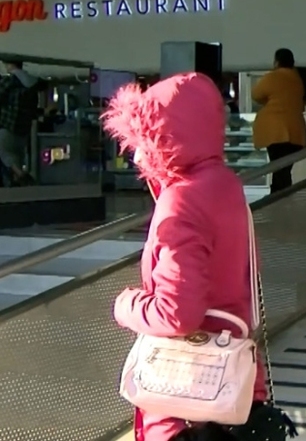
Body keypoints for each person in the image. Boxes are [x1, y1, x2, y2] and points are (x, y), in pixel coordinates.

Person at [102, 73, 273, 441]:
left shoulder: (180, 202)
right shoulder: (226, 185)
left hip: (186, 408)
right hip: (235, 391)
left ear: (163, 137)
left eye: (144, 138)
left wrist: (126, 305)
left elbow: (177, 313)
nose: (136, 153)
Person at [251, 48, 306, 194]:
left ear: (276, 61)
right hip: (296, 132)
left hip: (276, 131)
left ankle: (278, 198)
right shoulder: (298, 79)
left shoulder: (273, 77)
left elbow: (256, 94)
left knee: (278, 168)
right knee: (285, 170)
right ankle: (284, 197)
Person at [0, 61, 39, 187]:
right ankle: (19, 175)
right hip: (23, 127)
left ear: (10, 65)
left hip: (9, 125)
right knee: (11, 154)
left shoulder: (8, 81)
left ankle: (20, 174)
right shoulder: (33, 85)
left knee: (7, 153)